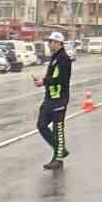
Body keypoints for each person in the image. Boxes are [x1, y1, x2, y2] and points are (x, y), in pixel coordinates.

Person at [32, 31, 72, 170]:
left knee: (58, 129)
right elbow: (52, 76)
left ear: (58, 43)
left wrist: (43, 81)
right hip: (50, 98)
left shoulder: (64, 59)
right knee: (41, 125)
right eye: (49, 42)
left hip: (59, 99)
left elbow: (61, 79)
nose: (49, 44)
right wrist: (43, 81)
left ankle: (58, 159)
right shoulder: (54, 58)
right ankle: (61, 150)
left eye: (51, 42)